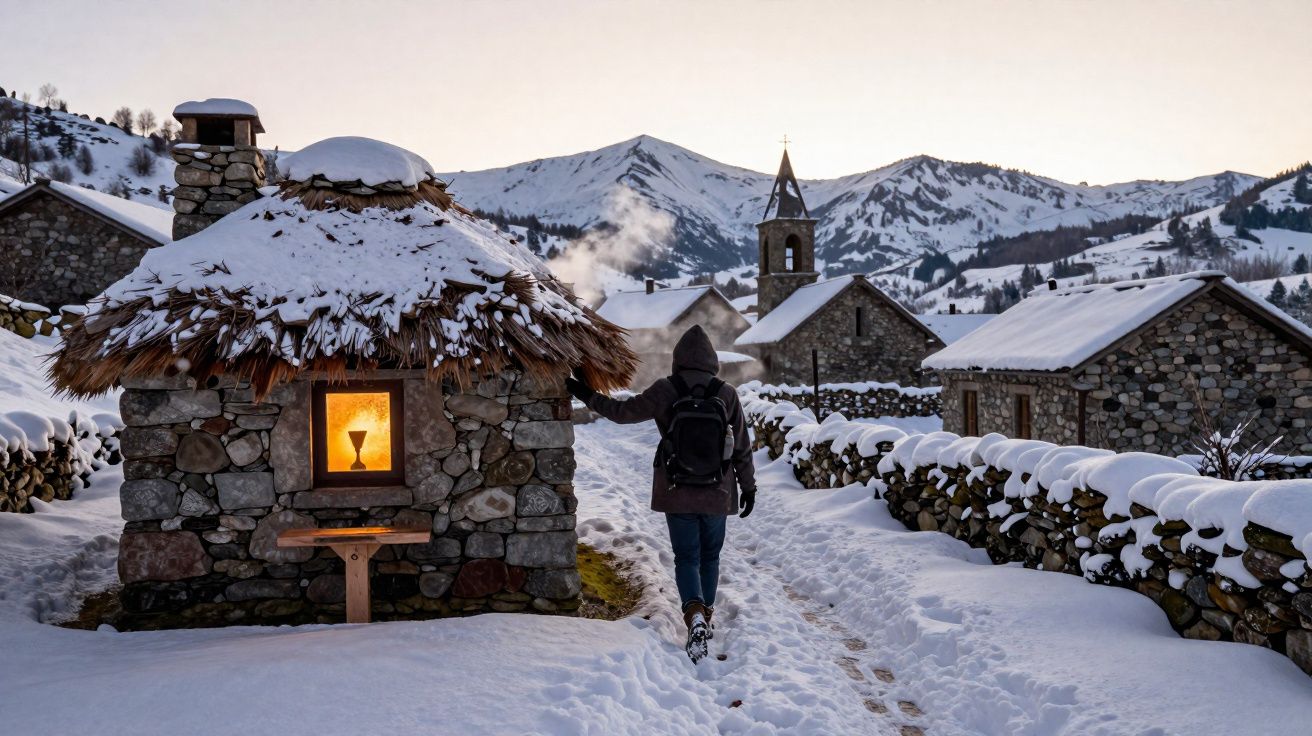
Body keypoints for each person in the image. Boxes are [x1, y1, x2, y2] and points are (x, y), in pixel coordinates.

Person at [566, 324, 756, 663]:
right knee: (709, 557)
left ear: (677, 359)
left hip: (676, 489)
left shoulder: (667, 389)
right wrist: (749, 487)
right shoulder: (726, 393)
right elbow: (741, 446)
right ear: (712, 360)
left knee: (686, 557)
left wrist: (582, 392)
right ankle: (705, 616)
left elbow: (621, 414)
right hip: (718, 490)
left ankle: (693, 614)